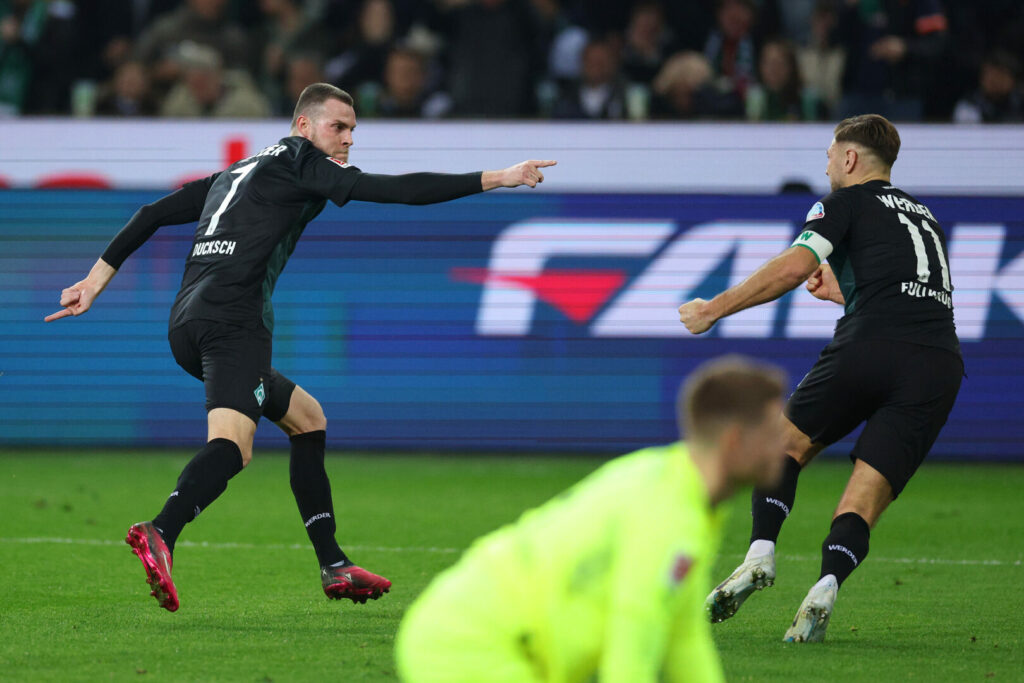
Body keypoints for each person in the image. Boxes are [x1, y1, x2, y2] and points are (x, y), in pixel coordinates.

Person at [45, 82, 556, 612]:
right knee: (234, 447)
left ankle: (334, 563)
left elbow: (151, 213)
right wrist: (500, 177)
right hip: (234, 321)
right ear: (304, 125)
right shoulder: (302, 163)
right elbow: (399, 192)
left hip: (188, 323)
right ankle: (161, 532)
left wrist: (93, 281)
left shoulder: (239, 171)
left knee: (307, 419)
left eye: (354, 129)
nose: (348, 139)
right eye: (338, 127)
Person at [678, 114, 962, 642]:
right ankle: (827, 584)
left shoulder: (842, 202)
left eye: (831, 154)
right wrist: (846, 293)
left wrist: (714, 309)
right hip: (939, 364)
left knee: (781, 448)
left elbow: (792, 266)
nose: (827, 164)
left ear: (850, 158)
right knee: (865, 497)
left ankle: (761, 552)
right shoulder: (925, 217)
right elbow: (911, 291)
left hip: (869, 346)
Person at [395, 355, 789, 682]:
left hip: (480, 635)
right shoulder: (670, 515)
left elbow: (685, 636)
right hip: (471, 643)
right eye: (772, 433)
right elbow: (633, 646)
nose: (782, 445)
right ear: (735, 440)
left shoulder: (683, 490)